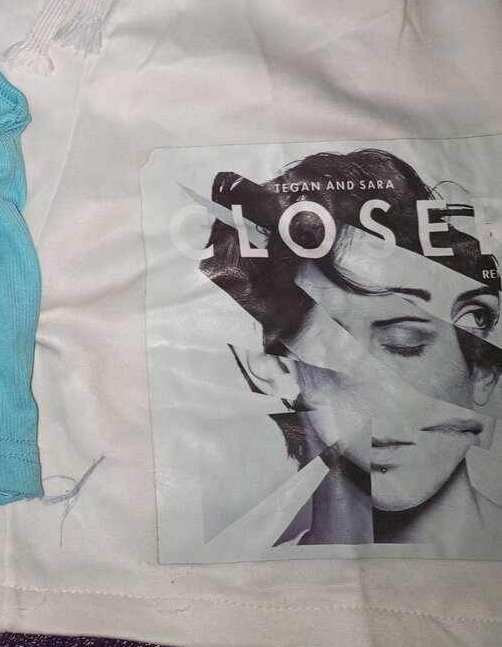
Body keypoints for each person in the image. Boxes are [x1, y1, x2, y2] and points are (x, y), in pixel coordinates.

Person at [198, 148, 502, 552]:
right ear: (273, 366)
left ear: (481, 368)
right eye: (336, 348)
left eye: (405, 346)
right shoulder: (235, 579)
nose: (386, 393)